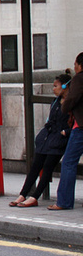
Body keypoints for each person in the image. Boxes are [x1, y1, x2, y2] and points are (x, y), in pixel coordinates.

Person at [9, 71, 72, 208]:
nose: (53, 89)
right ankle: (23, 194)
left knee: (48, 167)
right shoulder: (55, 101)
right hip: (47, 137)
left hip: (59, 139)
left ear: (65, 86)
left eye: (56, 86)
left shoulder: (72, 102)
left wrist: (65, 132)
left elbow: (75, 122)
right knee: (35, 166)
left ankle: (34, 197)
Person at [49, 52, 83, 210]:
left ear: (79, 65)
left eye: (75, 64)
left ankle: (64, 201)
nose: (74, 67)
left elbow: (71, 99)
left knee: (68, 163)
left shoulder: (79, 78)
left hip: (80, 127)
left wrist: (64, 108)